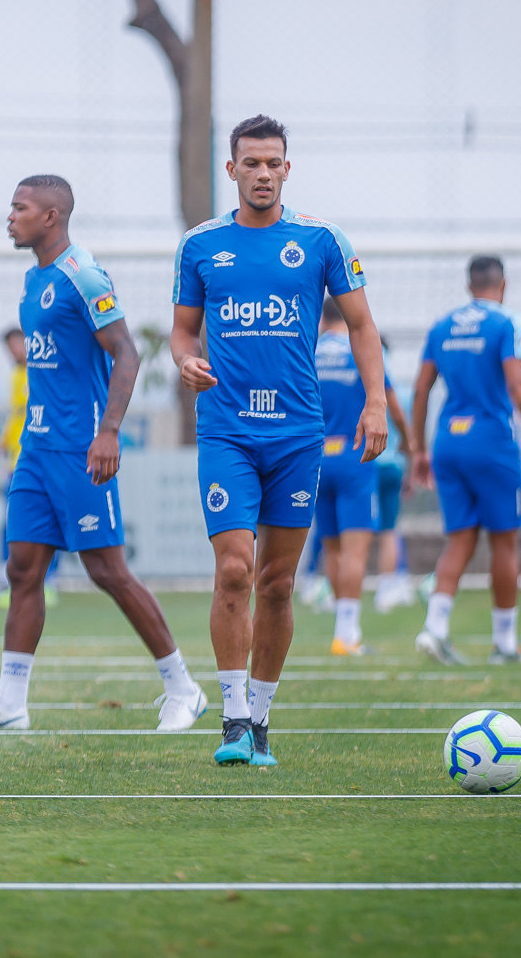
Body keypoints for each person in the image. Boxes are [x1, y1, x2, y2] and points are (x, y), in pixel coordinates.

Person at [0, 175, 205, 733]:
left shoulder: (83, 276)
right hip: (35, 451)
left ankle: (183, 687)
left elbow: (127, 354)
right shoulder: (32, 278)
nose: (10, 216)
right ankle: (10, 704)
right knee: (23, 568)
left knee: (107, 571)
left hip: (80, 450)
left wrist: (109, 431)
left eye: (20, 208)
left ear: (52, 216)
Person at [170, 115, 388, 767]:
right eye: (251, 163)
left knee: (278, 583)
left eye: (274, 163)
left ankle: (261, 718)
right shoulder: (201, 245)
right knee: (234, 567)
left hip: (299, 435)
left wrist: (376, 400)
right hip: (227, 430)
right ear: (231, 169)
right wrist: (184, 359)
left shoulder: (321, 241)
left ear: (287, 168)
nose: (263, 173)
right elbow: (182, 332)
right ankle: (233, 717)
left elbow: (362, 325)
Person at [411, 254, 521, 666]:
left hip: (447, 442)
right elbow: (517, 383)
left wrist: (418, 450)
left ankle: (434, 629)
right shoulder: (508, 322)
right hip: (491, 441)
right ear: (502, 284)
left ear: (469, 285)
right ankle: (505, 644)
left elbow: (421, 391)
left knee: (459, 539)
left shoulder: (442, 325)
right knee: (504, 541)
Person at [312, 296, 411, 655]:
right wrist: (411, 445)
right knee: (356, 552)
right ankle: (348, 634)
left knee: (332, 550)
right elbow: (392, 405)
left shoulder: (309, 350)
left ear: (321, 317)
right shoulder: (361, 350)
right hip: (356, 458)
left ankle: (342, 632)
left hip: (317, 460)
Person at [0, 327, 59, 607]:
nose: (14, 349)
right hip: (18, 461)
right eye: (10, 345)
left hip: (43, 459)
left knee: (48, 521)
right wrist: (2, 443)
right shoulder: (15, 376)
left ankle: (48, 582)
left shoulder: (44, 370)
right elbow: (18, 416)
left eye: (18, 342)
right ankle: (13, 578)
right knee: (15, 522)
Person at [369, 334, 416, 613]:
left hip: (363, 464)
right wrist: (411, 465)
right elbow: (404, 428)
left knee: (349, 532)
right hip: (392, 465)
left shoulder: (361, 380)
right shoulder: (397, 390)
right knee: (388, 530)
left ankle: (334, 593)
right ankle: (386, 589)